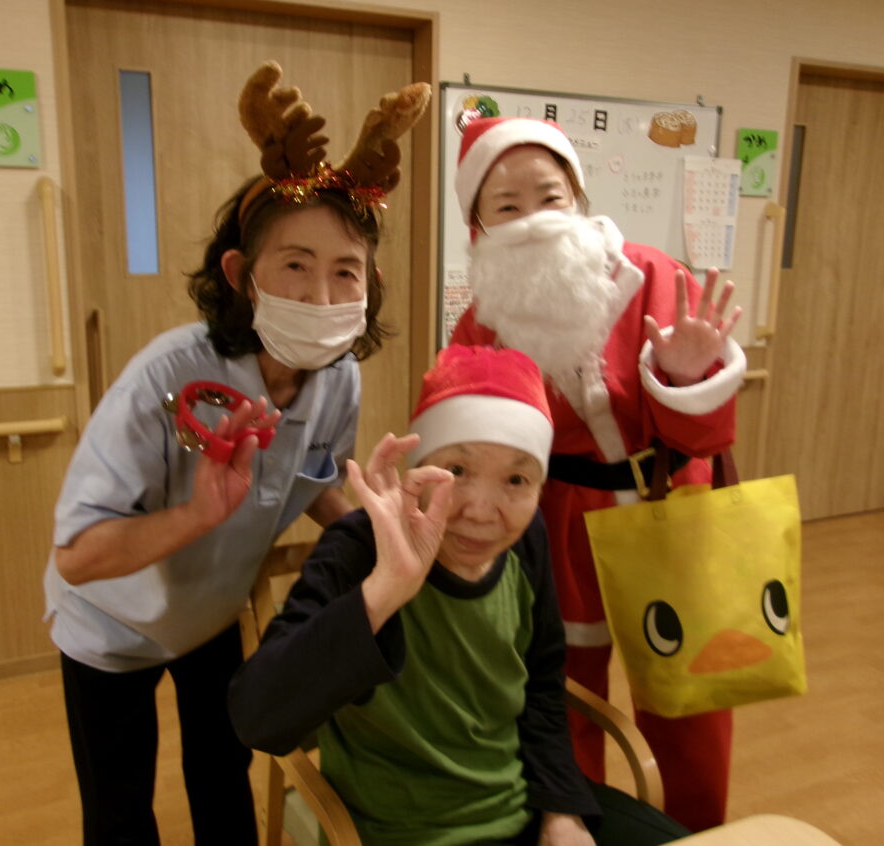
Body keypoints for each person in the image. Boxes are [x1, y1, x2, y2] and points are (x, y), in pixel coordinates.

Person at [42, 61, 430, 845]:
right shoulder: (166, 377)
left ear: (370, 284)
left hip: (212, 615)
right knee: (119, 810)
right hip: (110, 622)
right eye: (295, 266)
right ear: (242, 276)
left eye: (345, 272)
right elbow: (78, 558)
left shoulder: (337, 381)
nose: (322, 298)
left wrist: (385, 533)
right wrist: (197, 515)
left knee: (224, 782)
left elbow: (315, 479)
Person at [229, 344, 691, 846]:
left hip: (524, 803)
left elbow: (542, 684)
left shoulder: (527, 540)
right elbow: (258, 720)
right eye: (457, 471)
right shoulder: (360, 549)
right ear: (419, 465)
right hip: (404, 831)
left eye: (516, 479)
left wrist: (561, 813)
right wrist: (385, 590)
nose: (481, 511)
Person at [448, 117, 746, 831]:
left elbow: (704, 435)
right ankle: (582, 827)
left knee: (690, 694)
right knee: (563, 693)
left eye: (549, 197)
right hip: (555, 519)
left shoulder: (656, 276)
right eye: (507, 205)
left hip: (669, 507)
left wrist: (686, 377)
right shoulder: (483, 321)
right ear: (479, 226)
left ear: (577, 198)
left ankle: (694, 834)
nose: (533, 219)